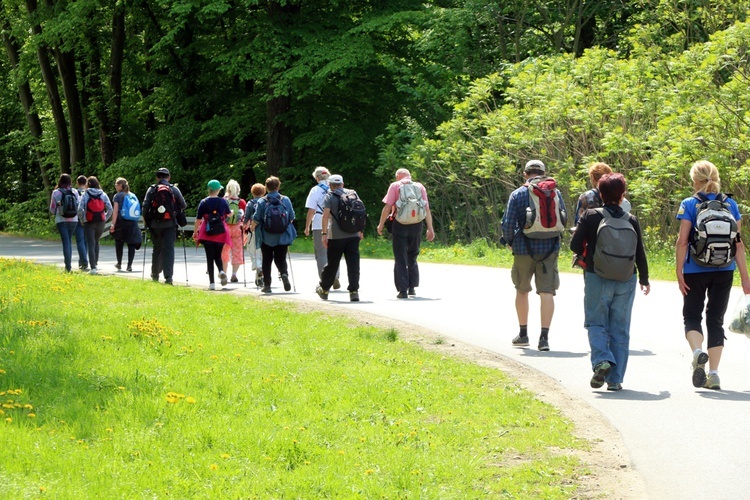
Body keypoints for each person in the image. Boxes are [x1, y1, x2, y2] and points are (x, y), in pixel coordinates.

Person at [570, 173, 650, 391]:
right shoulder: (631, 219)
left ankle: (602, 360)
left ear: (600, 194)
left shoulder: (590, 215)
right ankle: (615, 380)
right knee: (620, 329)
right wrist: (644, 279)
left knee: (596, 323)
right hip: (626, 278)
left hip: (597, 276)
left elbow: (574, 247)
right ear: (622, 194)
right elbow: (639, 253)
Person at [676, 160, 750, 390]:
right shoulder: (731, 205)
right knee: (715, 320)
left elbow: (682, 241)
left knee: (692, 316)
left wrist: (679, 272)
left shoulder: (689, 203)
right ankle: (714, 374)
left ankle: (698, 352)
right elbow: (738, 245)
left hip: (695, 270)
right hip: (724, 270)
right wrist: (746, 279)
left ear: (694, 181)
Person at [500, 160, 567, 351]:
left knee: (522, 290)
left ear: (525, 174)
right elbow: (563, 217)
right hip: (550, 248)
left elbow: (507, 223)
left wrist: (510, 241)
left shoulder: (518, 193)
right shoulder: (556, 192)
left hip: (523, 248)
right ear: (544, 173)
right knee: (547, 292)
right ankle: (544, 339)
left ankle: (523, 334)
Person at [376, 168, 435, 298]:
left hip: (400, 225)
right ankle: (412, 287)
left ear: (398, 176)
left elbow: (387, 207)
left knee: (400, 256)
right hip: (417, 224)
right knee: (412, 255)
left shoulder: (395, 186)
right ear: (409, 176)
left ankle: (402, 290)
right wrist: (430, 228)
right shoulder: (419, 186)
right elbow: (426, 208)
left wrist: (381, 224)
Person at [315, 174, 363, 302]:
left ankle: (324, 289)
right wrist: (360, 230)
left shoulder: (329, 196)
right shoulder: (353, 194)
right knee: (353, 264)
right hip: (353, 235)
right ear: (342, 184)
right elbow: (359, 212)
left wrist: (324, 234)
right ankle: (354, 291)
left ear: (330, 185)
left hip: (336, 236)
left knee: (332, 264)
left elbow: (325, 216)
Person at [250, 176, 297, 293]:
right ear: (278, 186)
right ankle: (284, 274)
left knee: (267, 260)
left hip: (266, 236)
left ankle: (267, 285)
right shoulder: (285, 199)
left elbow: (256, 218)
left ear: (266, 188)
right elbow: (291, 217)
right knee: (281, 259)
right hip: (282, 236)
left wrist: (251, 227)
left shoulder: (262, 201)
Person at [143, 168, 187, 285]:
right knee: (169, 249)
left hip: (155, 225)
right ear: (169, 177)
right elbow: (183, 204)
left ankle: (155, 274)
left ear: (157, 177)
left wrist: (147, 222)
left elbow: (145, 207)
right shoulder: (173, 189)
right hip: (170, 224)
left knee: (157, 248)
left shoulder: (151, 189)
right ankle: (168, 278)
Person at [304, 166, 340, 289]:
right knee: (335, 251)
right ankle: (335, 276)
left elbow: (311, 209)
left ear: (317, 178)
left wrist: (307, 226)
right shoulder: (336, 187)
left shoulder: (315, 190)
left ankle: (325, 279)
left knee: (321, 252)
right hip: (335, 222)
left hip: (319, 222)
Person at [194, 179, 232, 290]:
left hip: (207, 232)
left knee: (209, 258)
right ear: (218, 190)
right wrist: (233, 213)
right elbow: (229, 214)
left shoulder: (203, 202)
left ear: (209, 190)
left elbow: (198, 219)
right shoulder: (223, 201)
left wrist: (195, 232)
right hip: (220, 232)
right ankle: (221, 271)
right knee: (218, 255)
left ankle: (212, 283)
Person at [77, 176, 113, 275]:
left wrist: (82, 219)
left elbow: (80, 209)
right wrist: (105, 217)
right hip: (100, 221)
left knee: (90, 243)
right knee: (96, 241)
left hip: (89, 221)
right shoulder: (103, 194)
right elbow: (110, 208)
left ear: (88, 184)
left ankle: (93, 267)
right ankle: (95, 264)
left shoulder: (85, 194)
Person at [49, 173, 82, 272]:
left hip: (61, 220)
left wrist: (56, 211)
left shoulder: (56, 193)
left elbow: (52, 209)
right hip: (74, 220)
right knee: (69, 241)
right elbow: (79, 206)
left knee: (66, 242)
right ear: (70, 182)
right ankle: (69, 266)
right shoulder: (75, 192)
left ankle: (68, 267)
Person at [109, 177, 143, 272]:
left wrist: (113, 224)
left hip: (121, 222)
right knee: (131, 243)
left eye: (116, 184)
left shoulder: (117, 196)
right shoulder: (132, 195)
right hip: (132, 222)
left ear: (120, 185)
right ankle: (129, 265)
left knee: (119, 242)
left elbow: (115, 212)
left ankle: (119, 263)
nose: (115, 186)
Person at [221, 179, 247, 283]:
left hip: (225, 228)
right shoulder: (241, 202)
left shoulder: (223, 201)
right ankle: (234, 274)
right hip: (238, 228)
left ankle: (224, 273)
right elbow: (245, 216)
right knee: (237, 252)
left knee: (224, 252)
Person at [243, 183, 266, 287]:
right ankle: (264, 272)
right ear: (263, 192)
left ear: (252, 192)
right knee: (264, 251)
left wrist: (244, 227)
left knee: (253, 250)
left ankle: (258, 269)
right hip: (266, 230)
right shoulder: (266, 202)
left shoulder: (250, 203)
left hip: (254, 229)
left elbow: (246, 217)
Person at [74, 175, 89, 270]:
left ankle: (83, 261)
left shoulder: (75, 192)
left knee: (80, 241)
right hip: (89, 219)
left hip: (78, 219)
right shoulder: (89, 192)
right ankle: (82, 260)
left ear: (77, 183)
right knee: (86, 242)